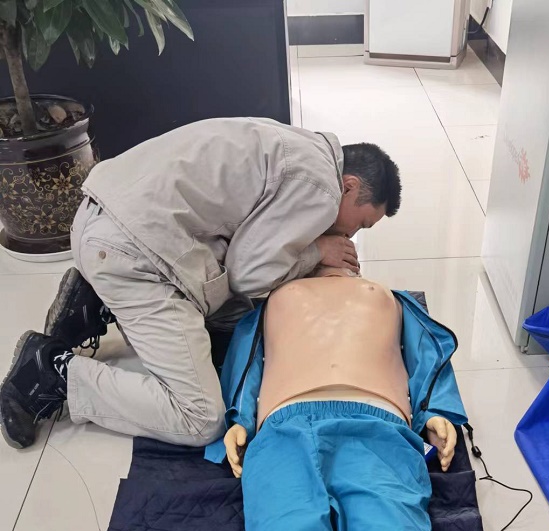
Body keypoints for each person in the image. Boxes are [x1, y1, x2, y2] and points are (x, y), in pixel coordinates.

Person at [0, 118, 402, 450]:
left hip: (101, 218)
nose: (351, 236)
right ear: (349, 186)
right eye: (361, 223)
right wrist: (316, 252)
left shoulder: (299, 145)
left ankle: (93, 300)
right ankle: (53, 373)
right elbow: (248, 274)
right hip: (131, 255)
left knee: (231, 334)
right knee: (200, 418)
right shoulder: (321, 189)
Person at [206, 266, 467, 531]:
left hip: (378, 428)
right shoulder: (275, 302)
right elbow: (248, 359)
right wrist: (240, 420)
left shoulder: (391, 300)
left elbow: (427, 352)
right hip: (284, 428)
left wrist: (434, 412)